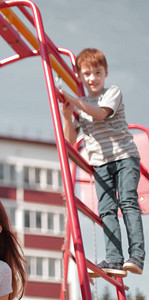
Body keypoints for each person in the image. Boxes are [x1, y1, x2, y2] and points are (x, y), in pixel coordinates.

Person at [60, 48, 145, 277]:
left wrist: (74, 100)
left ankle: (136, 255)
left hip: (124, 156)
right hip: (100, 163)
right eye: (87, 74)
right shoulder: (81, 105)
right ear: (80, 76)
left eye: (97, 73)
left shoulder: (112, 93)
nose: (92, 78)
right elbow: (69, 141)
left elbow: (100, 114)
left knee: (127, 201)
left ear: (105, 73)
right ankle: (114, 260)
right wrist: (68, 116)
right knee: (106, 209)